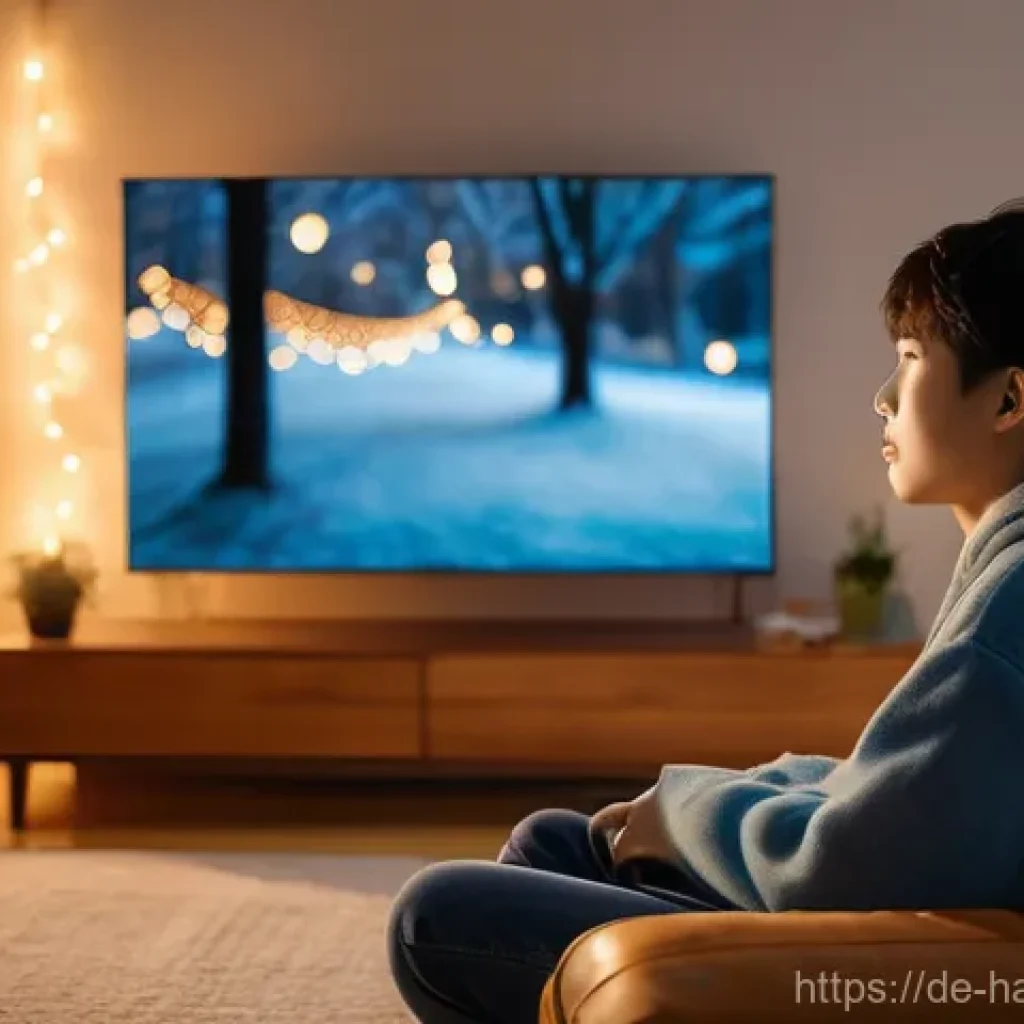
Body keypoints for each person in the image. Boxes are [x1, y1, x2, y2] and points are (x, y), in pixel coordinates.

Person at [387, 198, 1024, 1024]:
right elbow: (905, 794)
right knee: (554, 839)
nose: (882, 397)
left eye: (909, 358)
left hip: (890, 967)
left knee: (434, 916)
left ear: (1009, 399)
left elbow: (853, 868)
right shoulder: (1001, 573)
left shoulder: (1007, 609)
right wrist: (715, 797)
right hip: (904, 915)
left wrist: (686, 815)